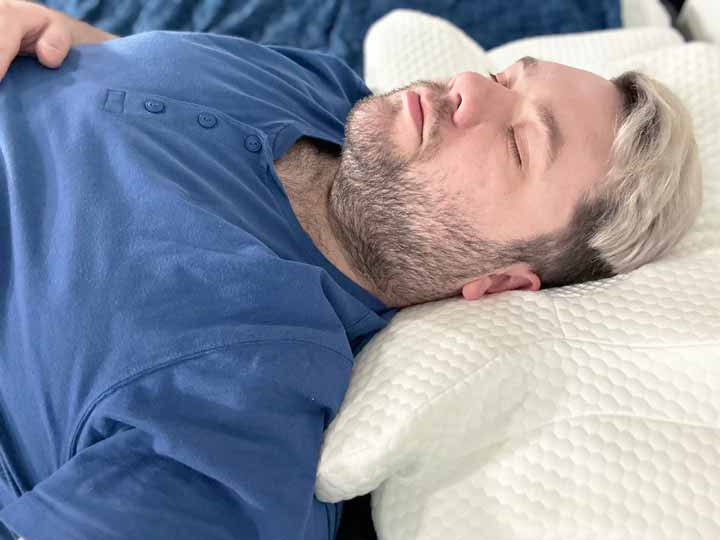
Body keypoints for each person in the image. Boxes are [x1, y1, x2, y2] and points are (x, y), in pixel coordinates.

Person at [0, 2, 702, 539]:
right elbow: (112, 64)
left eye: (520, 142)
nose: (466, 88)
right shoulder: (324, 93)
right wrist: (39, 22)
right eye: (500, 77)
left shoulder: (239, 401)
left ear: (502, 285)